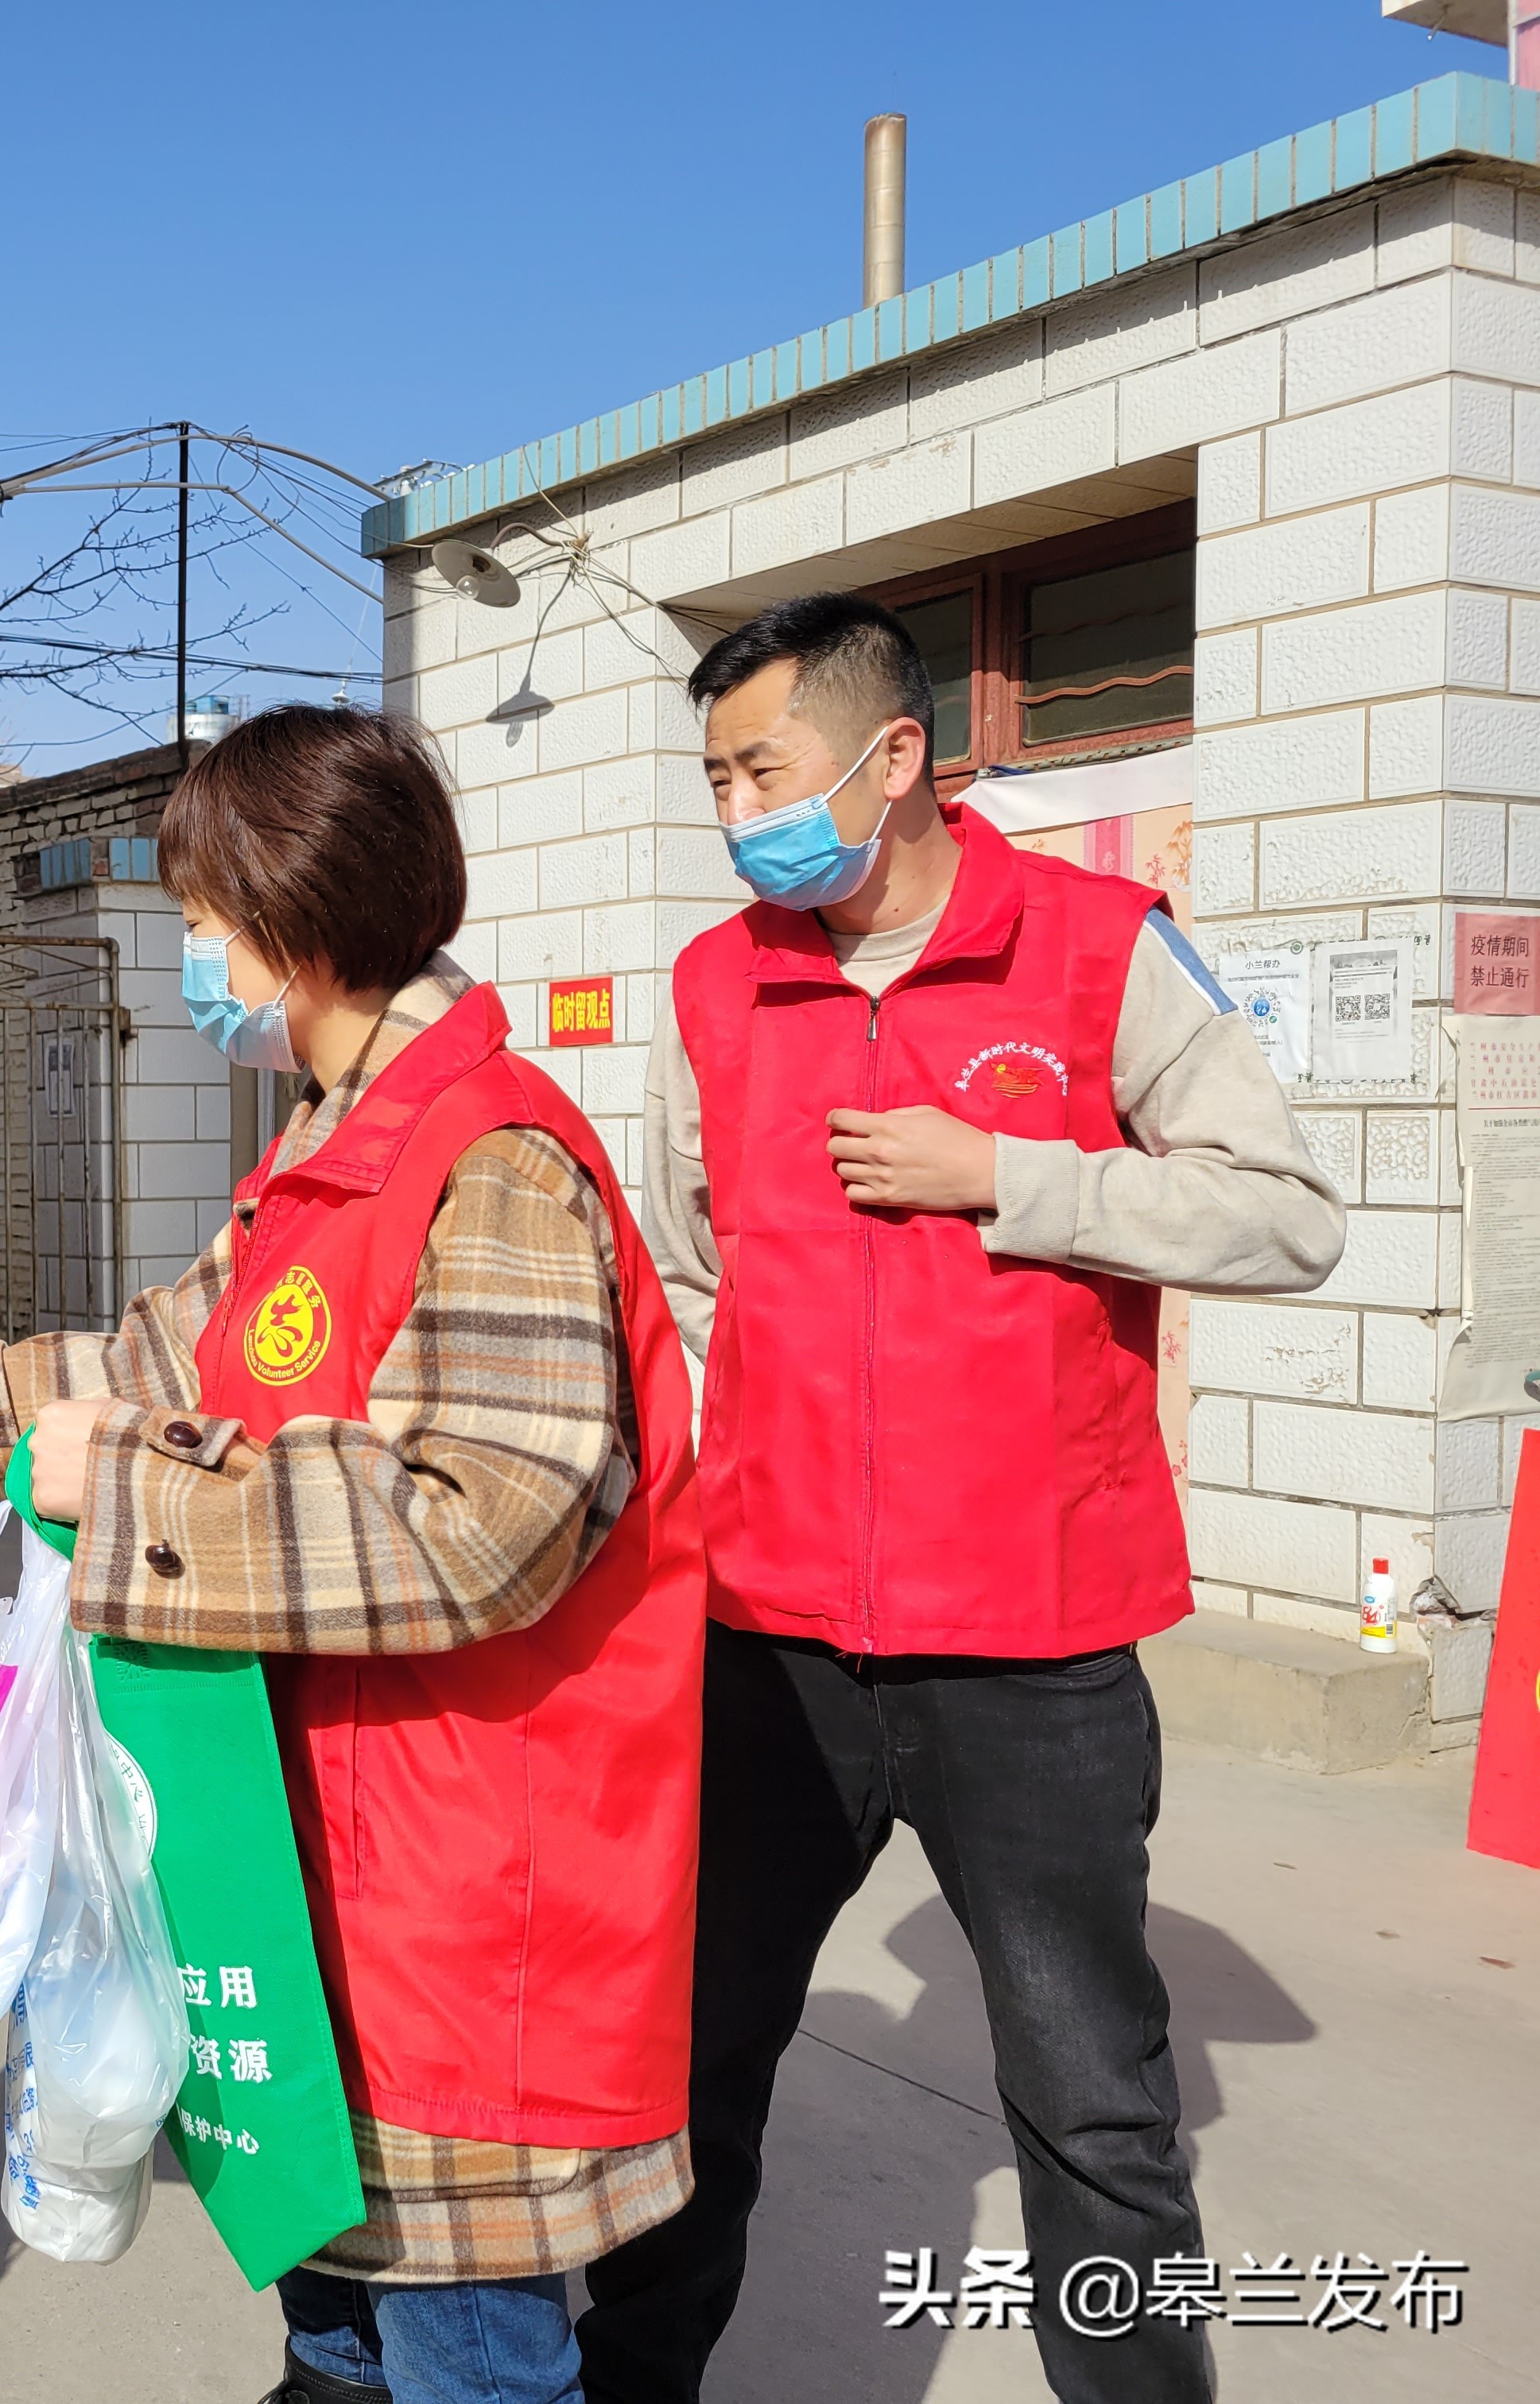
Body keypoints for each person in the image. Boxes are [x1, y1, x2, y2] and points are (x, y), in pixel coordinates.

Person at [0, 705, 707, 2404]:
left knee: (463, 2350)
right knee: (335, 2318)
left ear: (292, 923)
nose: (196, 957)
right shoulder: (325, 1146)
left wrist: (137, 1493)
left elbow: (482, 1522)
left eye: (204, 921)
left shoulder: (492, 1161)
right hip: (315, 1860)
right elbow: (155, 1368)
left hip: (455, 1877)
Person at [573, 594, 1346, 2404]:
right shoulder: (716, 983)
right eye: (716, 777)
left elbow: (1289, 1216)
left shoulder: (1096, 951)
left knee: (1093, 2109)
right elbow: (694, 1279)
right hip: (769, 1647)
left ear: (892, 754)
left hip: (1034, 1656)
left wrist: (1020, 1175)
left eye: (761, 767)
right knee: (691, 2073)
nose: (738, 808)